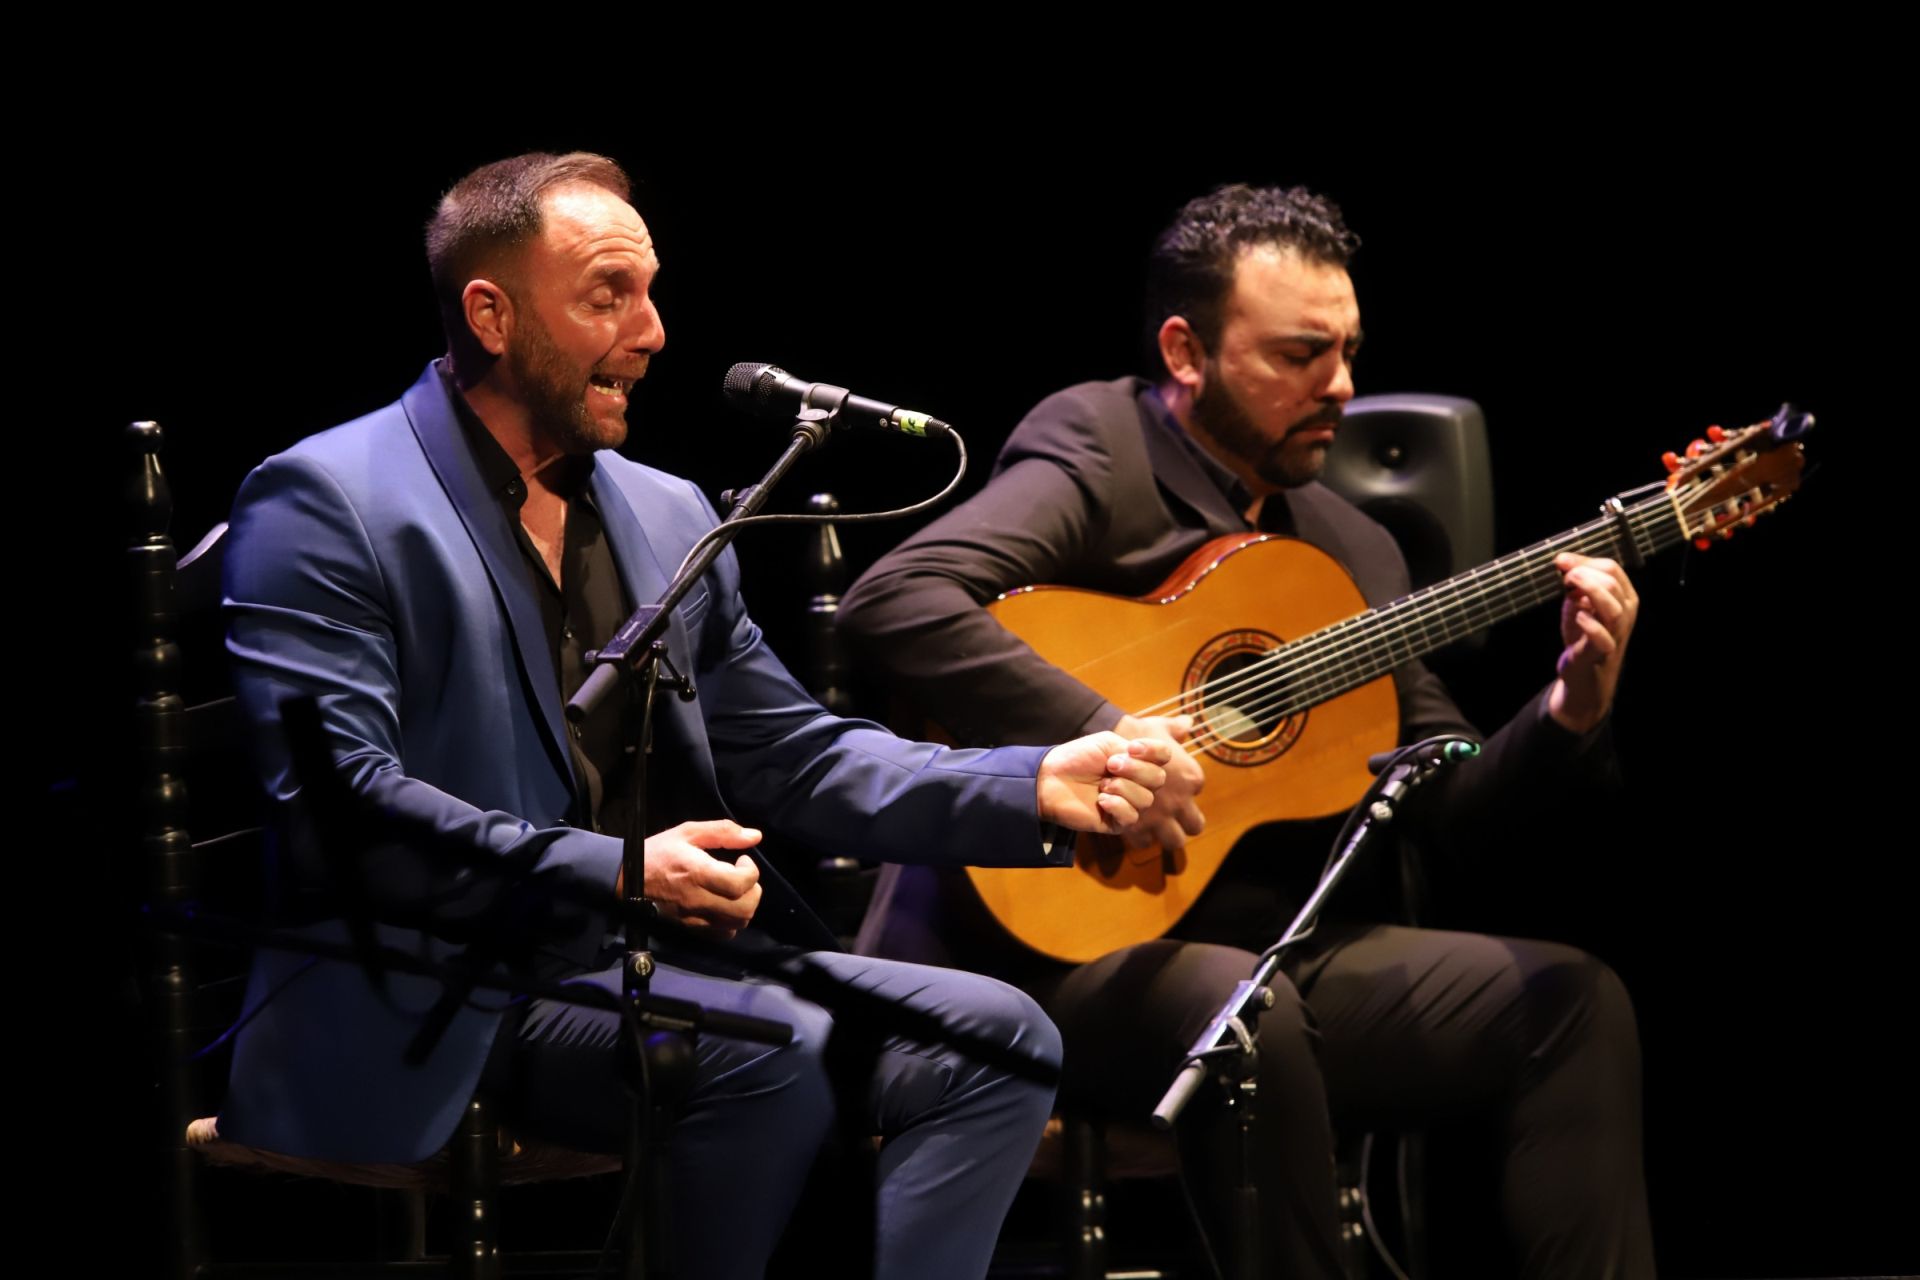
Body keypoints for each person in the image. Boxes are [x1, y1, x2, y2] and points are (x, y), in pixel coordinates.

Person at [215, 151, 1181, 1280]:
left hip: (660, 972)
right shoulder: (330, 496)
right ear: (490, 311)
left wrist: (1029, 782)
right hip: (436, 986)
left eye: (651, 288)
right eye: (607, 294)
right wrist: (613, 866)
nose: (654, 330)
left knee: (997, 1038)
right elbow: (343, 796)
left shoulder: (666, 510)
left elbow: (795, 753)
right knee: (765, 1053)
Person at [838, 183, 1655, 1278]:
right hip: (1044, 950)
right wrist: (1113, 733)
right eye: (1301, 355)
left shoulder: (1349, 544)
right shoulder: (1102, 448)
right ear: (1187, 350)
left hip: (1277, 950)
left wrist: (1570, 708)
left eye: (1350, 351)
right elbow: (899, 598)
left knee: (1571, 1000)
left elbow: (1448, 797)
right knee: (1248, 1019)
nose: (1343, 387)